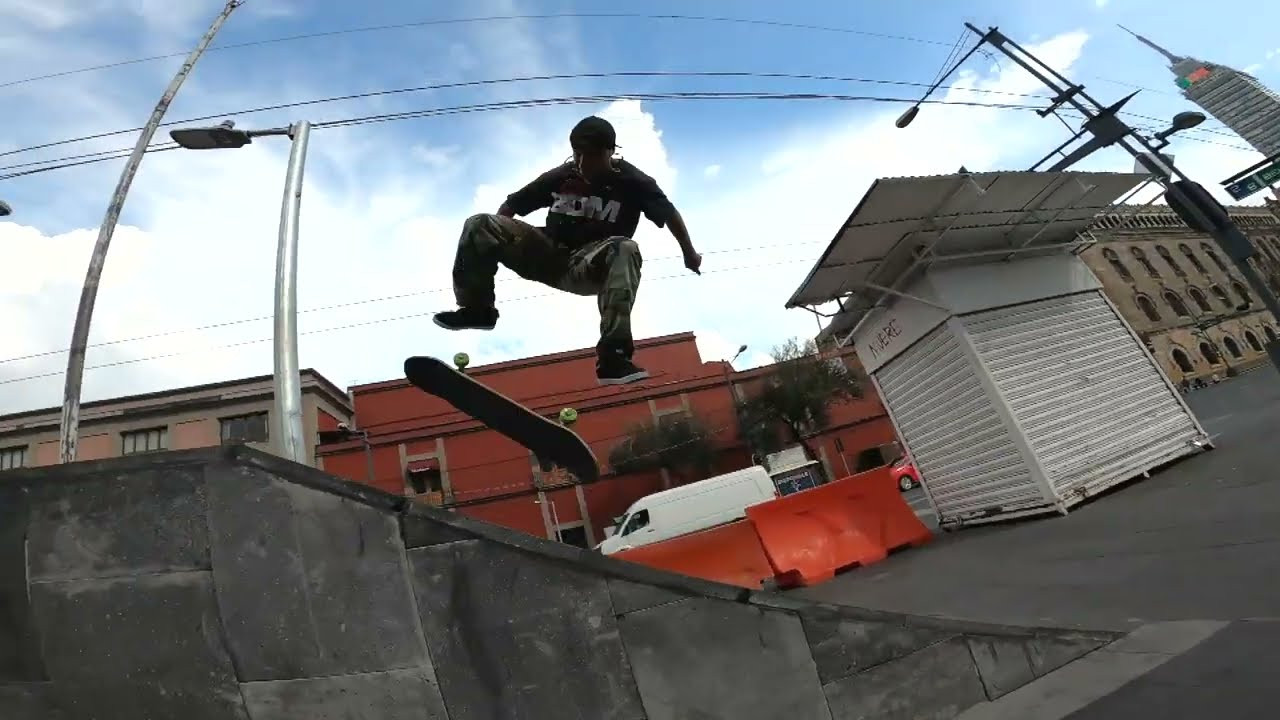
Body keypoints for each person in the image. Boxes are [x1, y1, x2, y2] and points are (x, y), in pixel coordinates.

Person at [433, 115, 702, 385]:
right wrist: (493, 247)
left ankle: (613, 356)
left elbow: (669, 214)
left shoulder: (632, 180)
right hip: (547, 253)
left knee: (626, 248)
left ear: (610, 151)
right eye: (577, 154)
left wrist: (689, 253)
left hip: (588, 264)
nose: (582, 164)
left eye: (592, 156)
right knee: (479, 224)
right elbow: (511, 205)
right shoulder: (563, 174)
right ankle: (478, 309)